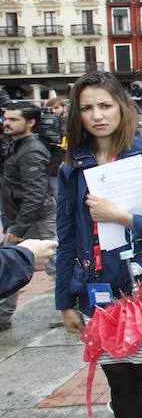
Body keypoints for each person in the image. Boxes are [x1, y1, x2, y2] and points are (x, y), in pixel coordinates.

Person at [55, 71, 142, 417]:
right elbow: (67, 239)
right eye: (87, 108)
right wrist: (65, 302)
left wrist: (123, 217)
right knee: (119, 384)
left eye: (105, 105)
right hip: (98, 293)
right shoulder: (71, 169)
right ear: (77, 114)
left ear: (121, 108)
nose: (97, 115)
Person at [0, 102, 58, 330]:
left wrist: (18, 229)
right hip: (21, 217)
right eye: (6, 118)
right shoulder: (16, 145)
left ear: (30, 122)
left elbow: (34, 193)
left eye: (14, 119)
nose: (7, 123)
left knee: (55, 265)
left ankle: (73, 308)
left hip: (35, 219)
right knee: (11, 261)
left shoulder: (31, 150)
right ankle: (3, 316)